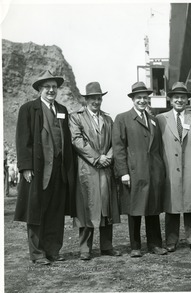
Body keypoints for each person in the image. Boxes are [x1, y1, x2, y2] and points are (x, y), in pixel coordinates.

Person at [14, 70, 76, 265]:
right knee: (36, 211)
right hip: (38, 170)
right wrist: (25, 167)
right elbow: (23, 140)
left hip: (59, 171)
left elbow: (65, 140)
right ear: (40, 89)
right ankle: (38, 253)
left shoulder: (63, 110)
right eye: (47, 87)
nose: (51, 90)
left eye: (54, 87)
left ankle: (53, 250)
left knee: (56, 211)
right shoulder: (28, 109)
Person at [112, 81, 167, 257]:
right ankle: (135, 246)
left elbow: (157, 147)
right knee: (134, 210)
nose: (142, 101)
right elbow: (119, 147)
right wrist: (123, 172)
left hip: (153, 171)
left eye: (145, 98)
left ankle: (155, 244)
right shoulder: (123, 118)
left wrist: (160, 170)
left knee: (153, 209)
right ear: (133, 99)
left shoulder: (153, 119)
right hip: (134, 172)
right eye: (138, 98)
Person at [69, 82, 121, 261]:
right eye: (93, 98)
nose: (96, 102)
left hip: (105, 169)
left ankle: (107, 246)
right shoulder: (76, 117)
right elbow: (77, 140)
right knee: (87, 208)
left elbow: (116, 141)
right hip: (88, 169)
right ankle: (85, 249)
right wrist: (97, 157)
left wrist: (108, 156)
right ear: (86, 100)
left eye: (99, 98)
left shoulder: (108, 119)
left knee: (106, 208)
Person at [157, 82, 191, 253]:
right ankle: (171, 240)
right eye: (176, 97)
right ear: (170, 100)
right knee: (172, 206)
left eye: (182, 97)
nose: (179, 100)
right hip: (170, 170)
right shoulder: (161, 119)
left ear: (187, 100)